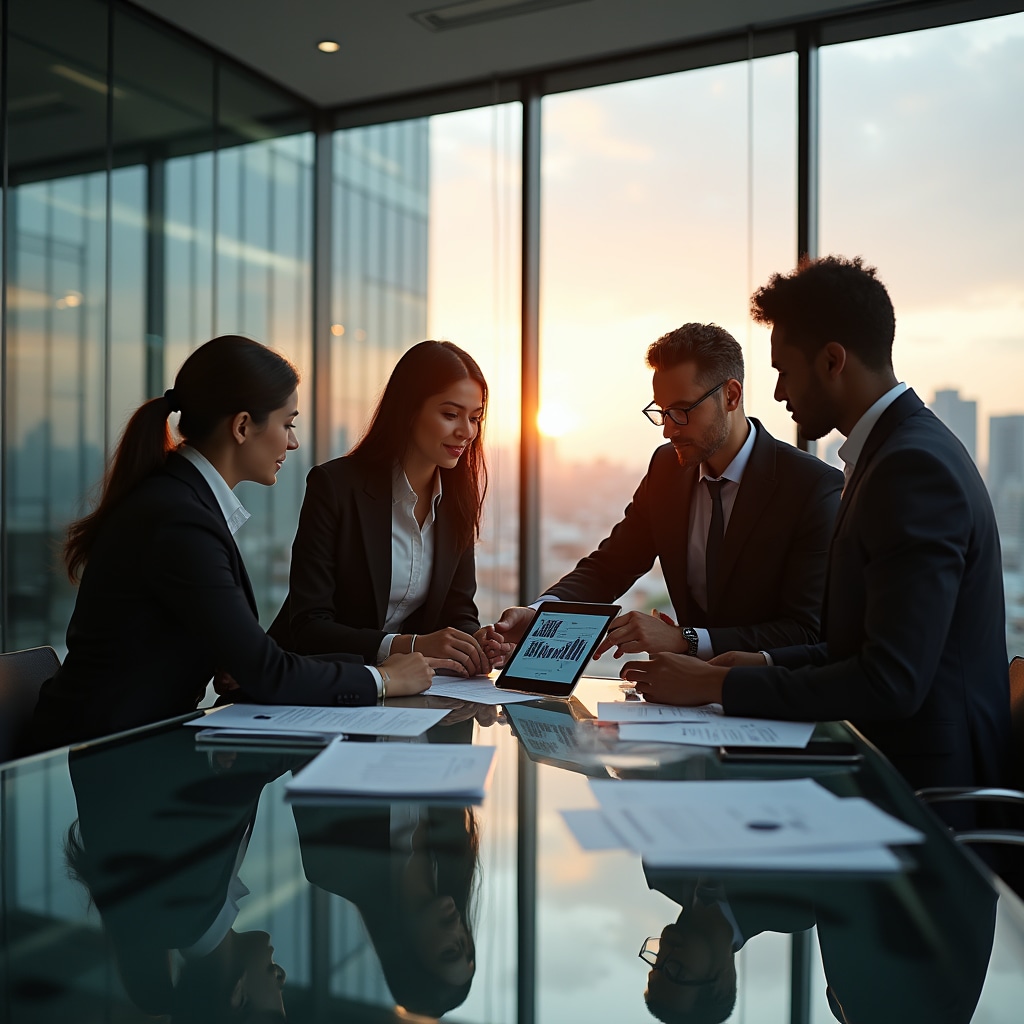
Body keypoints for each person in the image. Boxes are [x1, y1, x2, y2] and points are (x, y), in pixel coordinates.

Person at [623, 257, 1012, 797]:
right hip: (884, 772)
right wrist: (758, 662)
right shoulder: (891, 454)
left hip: (926, 794)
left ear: (833, 361)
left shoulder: (911, 467)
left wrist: (720, 681)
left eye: (784, 369)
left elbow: (891, 681)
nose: (779, 393)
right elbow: (859, 645)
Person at [28, 335, 432, 752]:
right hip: (106, 758)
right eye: (288, 424)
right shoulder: (179, 518)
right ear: (242, 427)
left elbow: (249, 660)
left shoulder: (177, 499)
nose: (292, 443)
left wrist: (233, 657)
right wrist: (384, 677)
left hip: (136, 747)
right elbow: (267, 671)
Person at [493, 323, 842, 661]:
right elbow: (610, 567)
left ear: (731, 396)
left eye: (681, 411)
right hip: (682, 699)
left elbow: (803, 632)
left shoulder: (810, 486)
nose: (668, 430)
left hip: (768, 701)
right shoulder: (667, 469)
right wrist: (539, 615)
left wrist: (683, 640)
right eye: (662, 412)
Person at [269, 340, 505, 678]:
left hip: (405, 692)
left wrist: (474, 641)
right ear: (408, 411)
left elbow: (457, 610)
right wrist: (410, 646)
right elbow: (310, 626)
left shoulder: (457, 499)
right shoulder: (335, 486)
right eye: (450, 414)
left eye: (475, 418)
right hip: (317, 683)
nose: (466, 431)